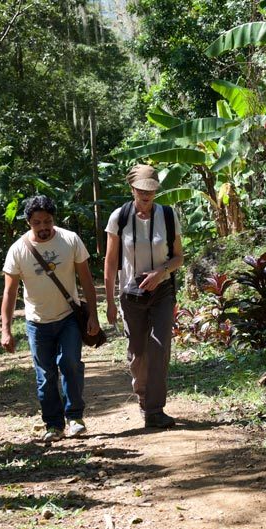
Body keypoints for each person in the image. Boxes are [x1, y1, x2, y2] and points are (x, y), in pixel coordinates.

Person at [1, 195, 100, 442]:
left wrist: (94, 317)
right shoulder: (18, 249)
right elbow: (10, 291)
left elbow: (86, 280)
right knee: (45, 375)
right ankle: (53, 425)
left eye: (48, 221)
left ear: (54, 219)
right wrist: (6, 329)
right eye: (37, 222)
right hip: (37, 322)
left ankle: (75, 417)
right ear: (28, 222)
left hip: (68, 317)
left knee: (70, 363)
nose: (43, 227)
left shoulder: (70, 240)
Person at [104, 164, 184, 428]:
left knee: (160, 348)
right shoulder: (120, 217)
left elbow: (178, 257)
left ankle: (155, 409)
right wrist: (111, 301)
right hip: (131, 292)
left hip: (162, 290)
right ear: (132, 189)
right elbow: (110, 260)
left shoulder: (168, 215)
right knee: (138, 353)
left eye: (151, 190)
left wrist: (160, 272)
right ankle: (142, 396)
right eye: (141, 190)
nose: (146, 195)